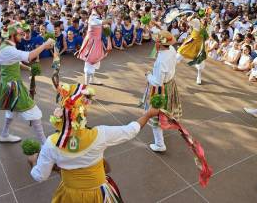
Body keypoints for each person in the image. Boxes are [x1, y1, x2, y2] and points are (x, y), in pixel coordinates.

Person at [28, 83, 160, 202]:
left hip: (70, 196)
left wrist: (34, 162)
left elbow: (40, 176)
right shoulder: (100, 135)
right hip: (98, 194)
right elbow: (131, 130)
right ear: (83, 114)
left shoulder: (51, 144)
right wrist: (148, 115)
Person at [0, 25, 54, 144]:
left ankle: (4, 134)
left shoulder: (5, 46)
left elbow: (15, 63)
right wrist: (44, 45)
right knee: (35, 113)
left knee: (11, 111)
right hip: (13, 88)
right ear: (12, 36)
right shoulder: (9, 49)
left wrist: (28, 69)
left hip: (8, 85)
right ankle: (45, 145)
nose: (22, 37)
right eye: (19, 35)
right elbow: (29, 56)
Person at [143, 30, 182, 152]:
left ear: (159, 44)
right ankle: (163, 131)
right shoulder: (171, 50)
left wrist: (148, 75)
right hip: (170, 84)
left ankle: (160, 144)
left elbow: (158, 82)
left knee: (156, 115)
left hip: (161, 90)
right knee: (164, 113)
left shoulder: (161, 60)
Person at [77, 0, 111, 86]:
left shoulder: (97, 16)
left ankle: (91, 80)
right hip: (91, 43)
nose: (102, 9)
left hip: (96, 42)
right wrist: (110, 18)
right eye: (100, 8)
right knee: (89, 62)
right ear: (95, 8)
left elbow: (102, 24)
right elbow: (102, 22)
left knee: (94, 61)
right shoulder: (93, 17)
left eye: (103, 8)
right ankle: (86, 85)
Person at [176, 18, 207, 85]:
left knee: (199, 61)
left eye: (205, 19)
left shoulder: (204, 27)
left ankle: (199, 77)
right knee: (178, 56)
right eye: (203, 18)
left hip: (198, 46)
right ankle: (169, 72)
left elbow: (206, 37)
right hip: (190, 43)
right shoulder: (197, 22)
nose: (204, 19)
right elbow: (189, 20)